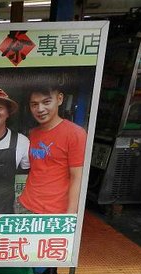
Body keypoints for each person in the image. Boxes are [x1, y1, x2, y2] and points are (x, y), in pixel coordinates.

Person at [17, 85, 87, 214]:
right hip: (25, 205)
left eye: (46, 102)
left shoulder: (75, 134)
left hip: (54, 212)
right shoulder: (32, 133)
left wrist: (70, 215)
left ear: (59, 99)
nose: (40, 109)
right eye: (34, 104)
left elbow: (78, 177)